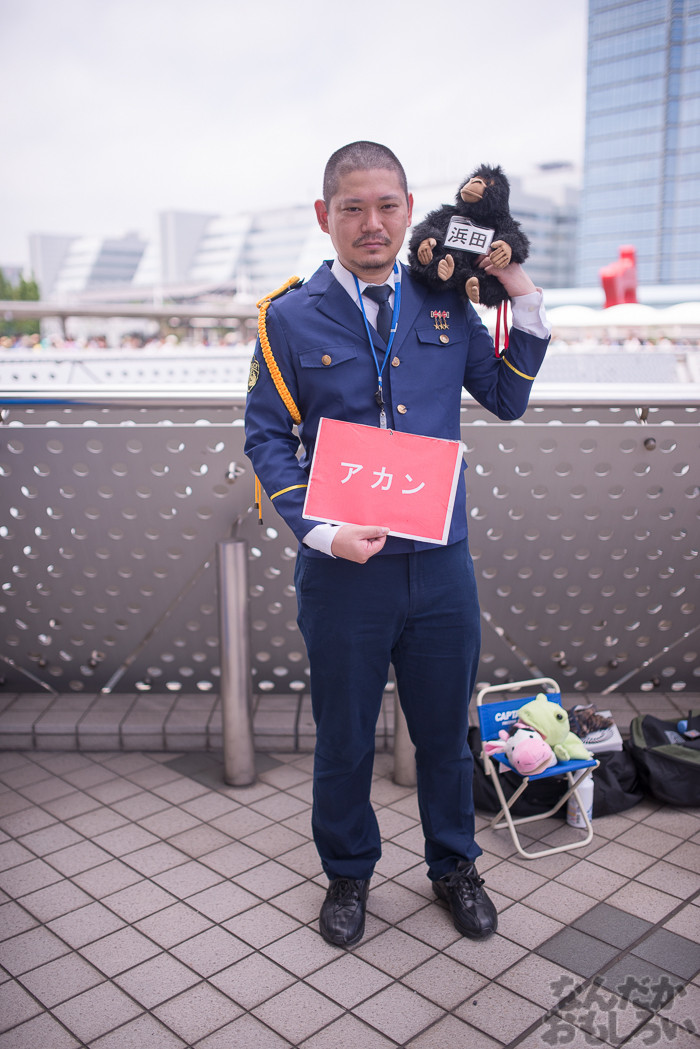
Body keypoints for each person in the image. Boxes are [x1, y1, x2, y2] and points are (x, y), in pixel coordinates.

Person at [244, 141, 550, 948]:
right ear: (326, 216)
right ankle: (348, 871)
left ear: (411, 211)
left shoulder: (444, 297)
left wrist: (520, 286)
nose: (372, 223)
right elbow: (268, 438)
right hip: (343, 567)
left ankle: (454, 865)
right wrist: (320, 531)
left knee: (445, 734)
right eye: (353, 207)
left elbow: (507, 397)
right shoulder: (289, 316)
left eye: (387, 206)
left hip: (441, 561)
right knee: (345, 737)